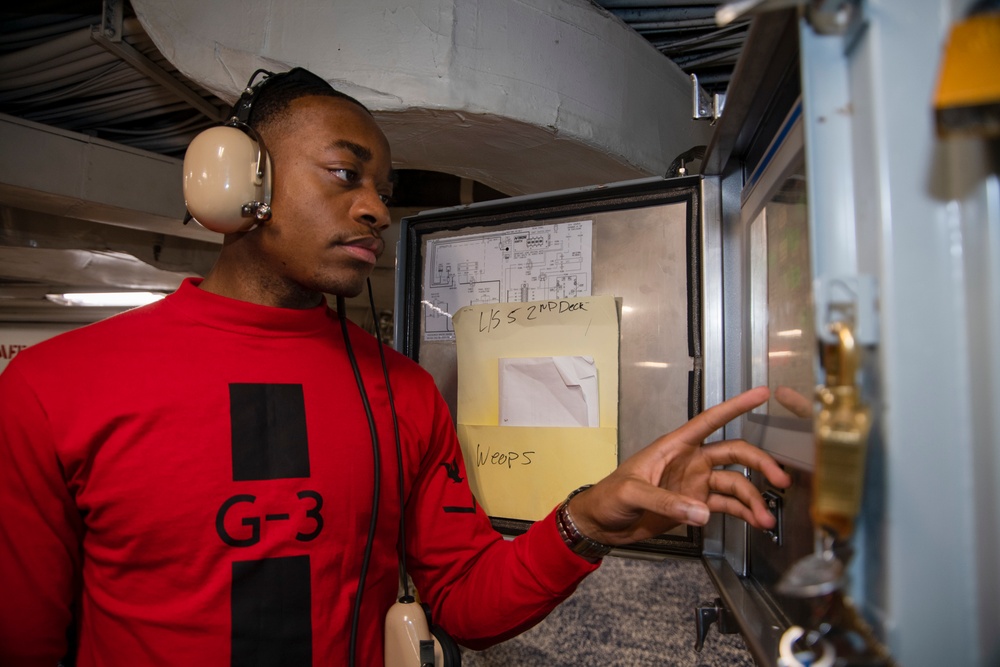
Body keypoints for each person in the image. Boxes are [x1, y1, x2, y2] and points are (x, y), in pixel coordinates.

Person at [0, 67, 790, 666]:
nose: (377, 208)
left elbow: (467, 601)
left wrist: (589, 519)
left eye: (384, 188)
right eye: (346, 175)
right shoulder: (52, 387)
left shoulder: (403, 390)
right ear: (240, 178)